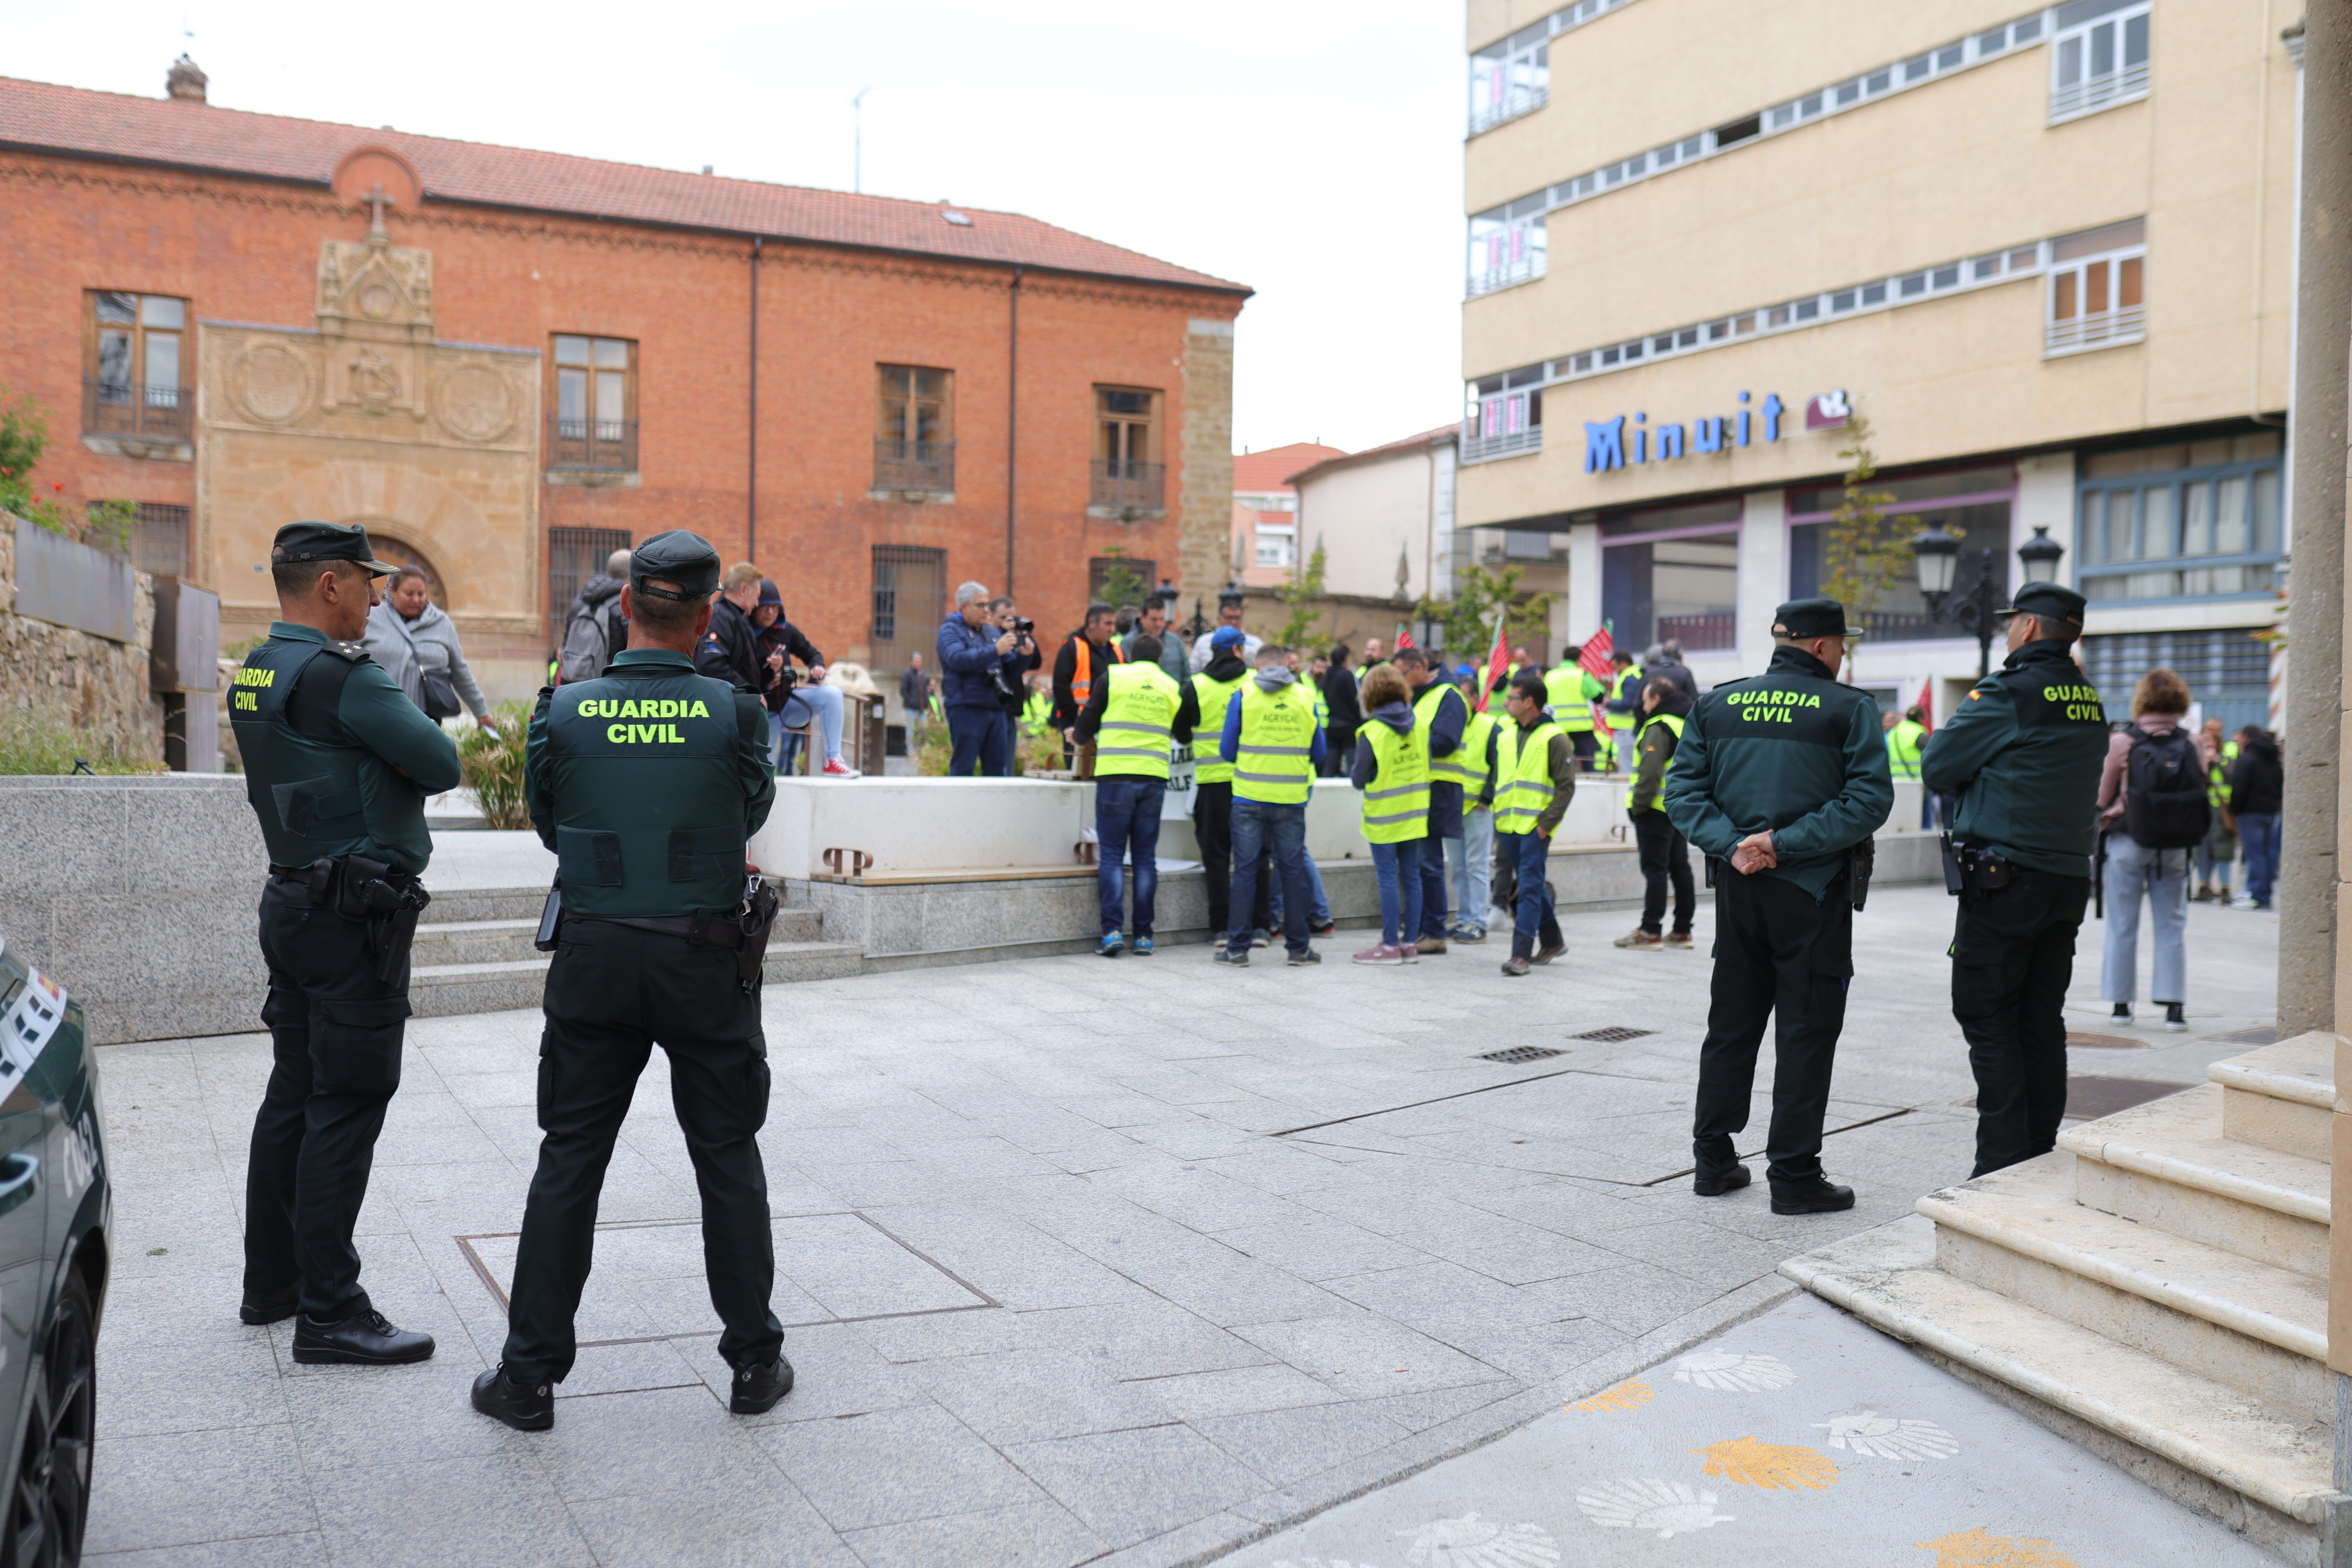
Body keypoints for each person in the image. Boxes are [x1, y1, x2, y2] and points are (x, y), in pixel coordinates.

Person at [472, 529, 790, 1432]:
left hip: (596, 956)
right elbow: (751, 807)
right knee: (726, 1156)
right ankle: (753, 1361)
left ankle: (528, 1376)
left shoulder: (564, 709)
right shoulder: (735, 711)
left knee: (569, 1159)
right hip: (704, 958)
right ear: (702, 618)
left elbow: (548, 825)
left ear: (623, 611)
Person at [230, 521, 459, 1363]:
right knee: (348, 1101)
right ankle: (331, 1307)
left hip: (292, 897)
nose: (372, 594)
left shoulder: (258, 670)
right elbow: (439, 760)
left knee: (294, 1091)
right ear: (328, 585)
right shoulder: (341, 677)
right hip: (352, 914)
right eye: (364, 581)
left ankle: (274, 1283)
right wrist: (389, 762)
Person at [1663, 598, 1891, 1214]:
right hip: (1812, 894)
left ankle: (1713, 1160)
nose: (1844, 653)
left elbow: (1681, 793)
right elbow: (1869, 802)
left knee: (1732, 1025)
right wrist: (1784, 844)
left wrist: (1734, 845)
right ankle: (1793, 1175)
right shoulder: (1850, 709)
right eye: (1841, 643)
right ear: (1820, 646)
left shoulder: (1716, 703)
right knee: (1806, 1032)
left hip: (1738, 890)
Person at [1919, 585, 2111, 1177]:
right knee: (2040, 1018)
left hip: (2006, 882)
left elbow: (1938, 767)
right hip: (2065, 879)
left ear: (2028, 628)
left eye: (2011, 624)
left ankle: (2001, 1162)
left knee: (1987, 1014)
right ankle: (2038, 1149)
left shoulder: (2009, 692)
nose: (2006, 633)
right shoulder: (2088, 699)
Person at [2096, 668, 2206, 1027]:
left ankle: (2121, 1006)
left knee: (2122, 924)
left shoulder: (2123, 742)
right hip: (2175, 845)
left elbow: (2102, 796)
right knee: (2172, 924)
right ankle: (2174, 1009)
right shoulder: (2194, 743)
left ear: (2142, 700)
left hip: (2129, 840)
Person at [1077, 634, 1196, 956]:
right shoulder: (1171, 686)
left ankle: (1112, 932)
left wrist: (1078, 734)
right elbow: (1184, 734)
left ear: (1129, 654)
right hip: (1154, 779)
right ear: (1159, 658)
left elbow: (1086, 724)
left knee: (1113, 855)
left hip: (1115, 775)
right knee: (1145, 859)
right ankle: (1144, 937)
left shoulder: (1113, 677)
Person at [1216, 643, 1325, 967]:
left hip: (1249, 796)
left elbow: (1226, 749)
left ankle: (1237, 950)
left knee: (1246, 872)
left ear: (1258, 665)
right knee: (1292, 873)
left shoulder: (1245, 695)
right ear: (1287, 666)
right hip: (1291, 800)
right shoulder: (1306, 697)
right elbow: (1319, 754)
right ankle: (1299, 949)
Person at [1190, 626, 1269, 945]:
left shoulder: (1196, 685)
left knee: (1217, 857)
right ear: (1239, 649)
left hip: (1211, 786)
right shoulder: (1255, 683)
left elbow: (1182, 731)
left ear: (1213, 651)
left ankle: (1222, 929)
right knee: (1257, 856)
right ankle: (1261, 927)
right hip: (1249, 782)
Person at [1493, 671, 1575, 975]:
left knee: (1528, 886)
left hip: (1534, 827)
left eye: (1512, 698)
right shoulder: (1504, 735)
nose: (1506, 703)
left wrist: (1545, 826)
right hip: (1507, 825)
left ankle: (1520, 955)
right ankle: (1552, 941)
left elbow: (1566, 788)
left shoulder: (1555, 739)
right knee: (1533, 884)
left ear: (1529, 703)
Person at [1350, 663, 1429, 964]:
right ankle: (1410, 945)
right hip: (1416, 810)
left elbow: (1358, 780)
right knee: (1412, 877)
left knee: (1387, 877)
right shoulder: (1420, 723)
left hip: (1384, 815)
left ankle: (1388, 946)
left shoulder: (1371, 732)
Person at [1394, 647, 1468, 952]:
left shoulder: (1447, 695)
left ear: (1417, 667)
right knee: (1419, 863)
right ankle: (1423, 929)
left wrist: (1408, 739)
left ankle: (1435, 932)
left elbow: (1445, 742)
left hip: (1440, 789)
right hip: (1421, 788)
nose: (1398, 681)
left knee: (1429, 863)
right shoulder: (1420, 697)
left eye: (1401, 674)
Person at [1617, 674, 1696, 951]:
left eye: (1646, 700)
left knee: (1656, 870)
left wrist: (1638, 807)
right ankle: (1683, 931)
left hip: (1654, 809)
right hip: (1679, 809)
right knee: (1679, 868)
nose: (1644, 706)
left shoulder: (1658, 726)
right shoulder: (1686, 723)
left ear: (1657, 699)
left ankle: (1650, 930)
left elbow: (1649, 772)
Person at [751, 581, 859, 778]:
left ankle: (833, 759)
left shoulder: (785, 631)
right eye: (765, 607)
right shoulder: (745, 633)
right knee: (763, 777)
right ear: (754, 607)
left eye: (775, 608)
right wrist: (766, 680)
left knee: (832, 695)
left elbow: (811, 653)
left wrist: (817, 666)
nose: (770, 613)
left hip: (787, 705)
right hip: (762, 714)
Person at [364, 565, 494, 728]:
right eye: (409, 594)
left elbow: (461, 672)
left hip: (427, 719)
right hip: (379, 714)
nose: (416, 600)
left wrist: (481, 712)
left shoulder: (441, 623)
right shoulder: (371, 618)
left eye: (421, 594)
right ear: (393, 591)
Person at [935, 582, 1025, 777]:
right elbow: (957, 660)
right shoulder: (949, 631)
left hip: (996, 709)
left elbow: (1011, 669)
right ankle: (959, 807)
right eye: (981, 605)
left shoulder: (990, 632)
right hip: (966, 708)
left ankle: (993, 809)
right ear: (965, 607)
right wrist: (995, 650)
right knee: (964, 767)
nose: (987, 610)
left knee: (997, 770)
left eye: (988, 604)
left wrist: (1025, 655)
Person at [1445, 664, 1502, 945]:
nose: (1458, 701)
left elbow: (1498, 765)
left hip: (1477, 809)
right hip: (1454, 809)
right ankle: (1465, 919)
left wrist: (1486, 799)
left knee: (1476, 867)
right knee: (1458, 867)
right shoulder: (1450, 724)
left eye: (1464, 695)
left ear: (1476, 699)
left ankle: (1478, 923)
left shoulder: (1490, 727)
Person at [1053, 603, 1126, 778]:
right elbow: (1061, 687)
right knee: (1079, 774)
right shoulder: (1072, 648)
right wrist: (1071, 723)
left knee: (1106, 774)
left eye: (1114, 625)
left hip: (1110, 724)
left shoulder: (1117, 651)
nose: (1112, 630)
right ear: (1092, 624)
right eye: (1108, 624)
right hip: (1078, 725)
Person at [2229, 725, 2283, 911]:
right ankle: (2264, 894)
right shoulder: (2274, 759)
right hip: (2271, 812)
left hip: (2250, 812)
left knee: (2255, 855)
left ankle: (2256, 895)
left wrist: (2234, 809)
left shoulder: (2247, 759)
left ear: (2246, 738)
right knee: (2267, 854)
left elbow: (2240, 788)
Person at [558, 547, 631, 683]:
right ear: (632, 573)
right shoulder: (623, 604)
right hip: (608, 682)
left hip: (573, 679)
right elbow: (631, 645)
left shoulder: (581, 600)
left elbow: (566, 640)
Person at [990, 597, 1044, 770]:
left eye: (1012, 618)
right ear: (991, 616)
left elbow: (1036, 663)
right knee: (996, 763)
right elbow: (993, 660)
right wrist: (1001, 633)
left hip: (1012, 705)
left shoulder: (1015, 637)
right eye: (1003, 618)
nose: (1009, 622)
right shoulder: (989, 636)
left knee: (1008, 763)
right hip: (993, 705)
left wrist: (1025, 637)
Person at [2194, 717, 2238, 903]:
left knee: (2223, 848)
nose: (2210, 740)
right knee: (2202, 849)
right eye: (2207, 735)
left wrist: (2218, 760)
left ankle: (2226, 888)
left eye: (2215, 733)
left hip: (2222, 807)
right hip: (2200, 806)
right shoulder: (2195, 752)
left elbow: (2234, 776)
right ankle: (2204, 886)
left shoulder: (2229, 750)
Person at [1543, 652, 1607, 770]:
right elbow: (1599, 697)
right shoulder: (1581, 675)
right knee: (1588, 764)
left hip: (1557, 727)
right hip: (1581, 728)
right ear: (1578, 660)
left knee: (1559, 766)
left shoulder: (1550, 676)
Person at [1189, 589, 1262, 673]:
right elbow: (1193, 672)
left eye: (1237, 618)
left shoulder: (1255, 644)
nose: (1233, 622)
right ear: (1219, 619)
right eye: (1229, 618)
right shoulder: (1204, 642)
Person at [1319, 643, 1363, 778]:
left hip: (1332, 724)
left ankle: (1324, 792)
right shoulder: (1347, 676)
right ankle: (1353, 794)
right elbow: (1355, 699)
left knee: (1331, 763)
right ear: (1345, 659)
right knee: (1352, 762)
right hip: (1349, 725)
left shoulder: (1327, 677)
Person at [1124, 596, 1188, 684]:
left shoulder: (1175, 641)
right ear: (1142, 618)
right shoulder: (1129, 643)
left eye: (1162, 619)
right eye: (1154, 620)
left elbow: (1187, 674)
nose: (1159, 624)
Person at [1885, 705, 1929, 828]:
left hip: (1896, 783)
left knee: (1902, 823)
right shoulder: (1918, 733)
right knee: (1923, 824)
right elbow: (1933, 754)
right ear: (1921, 719)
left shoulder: (1893, 733)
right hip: (1917, 784)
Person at [1600, 648, 1645, 768]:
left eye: (1615, 665)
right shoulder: (1633, 675)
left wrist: (1608, 703)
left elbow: (1628, 704)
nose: (1614, 670)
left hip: (1627, 729)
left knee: (1627, 765)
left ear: (1624, 663)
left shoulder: (1629, 677)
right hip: (1628, 728)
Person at [898, 652, 934, 726]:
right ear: (912, 663)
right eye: (917, 662)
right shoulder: (907, 675)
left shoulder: (923, 675)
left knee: (923, 731)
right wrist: (912, 701)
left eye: (920, 662)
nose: (919, 664)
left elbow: (927, 689)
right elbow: (903, 690)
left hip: (922, 709)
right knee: (911, 731)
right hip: (911, 709)